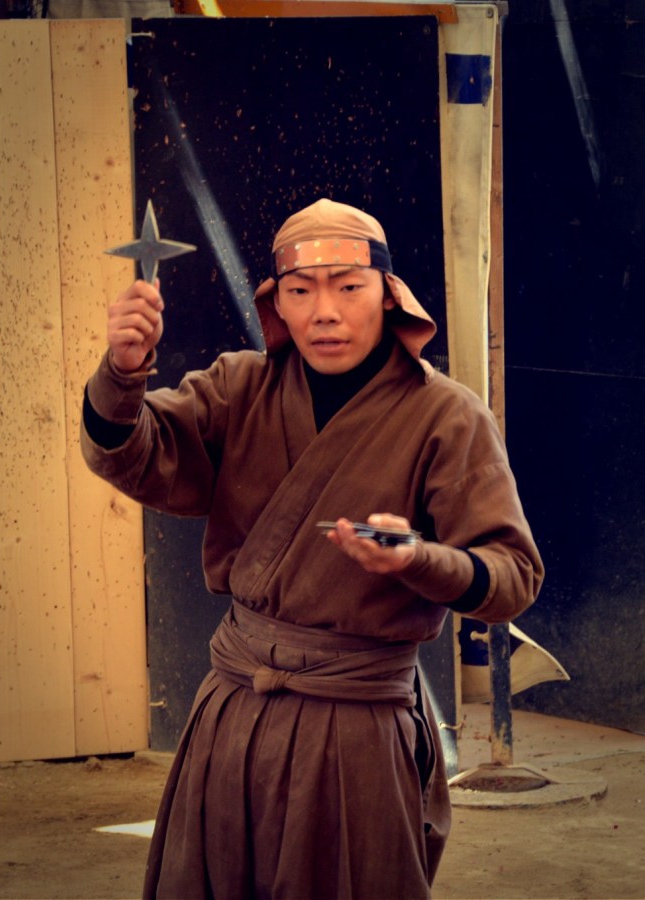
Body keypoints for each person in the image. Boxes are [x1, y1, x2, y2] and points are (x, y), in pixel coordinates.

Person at [81, 198, 544, 899]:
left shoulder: (446, 416)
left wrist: (419, 559)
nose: (324, 312)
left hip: (355, 726)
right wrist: (123, 372)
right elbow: (137, 455)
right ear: (278, 303)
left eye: (348, 287)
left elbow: (513, 577)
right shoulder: (240, 387)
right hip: (232, 712)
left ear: (387, 295)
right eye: (300, 291)